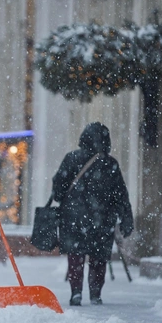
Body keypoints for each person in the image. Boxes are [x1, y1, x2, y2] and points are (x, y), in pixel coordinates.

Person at [51, 122, 134, 306]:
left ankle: (76, 292)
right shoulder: (110, 164)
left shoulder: (71, 158)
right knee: (99, 258)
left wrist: (68, 199)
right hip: (102, 219)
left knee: (75, 256)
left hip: (73, 218)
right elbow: (121, 194)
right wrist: (126, 217)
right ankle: (95, 294)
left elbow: (58, 189)